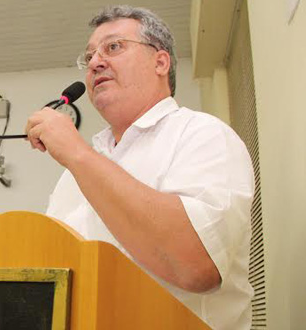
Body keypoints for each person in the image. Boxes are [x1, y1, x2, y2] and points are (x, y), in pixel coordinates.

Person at [25, 5, 254, 330]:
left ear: (160, 62)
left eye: (113, 47)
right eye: (88, 56)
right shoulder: (73, 175)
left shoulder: (203, 135)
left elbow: (195, 265)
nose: (94, 63)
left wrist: (76, 153)